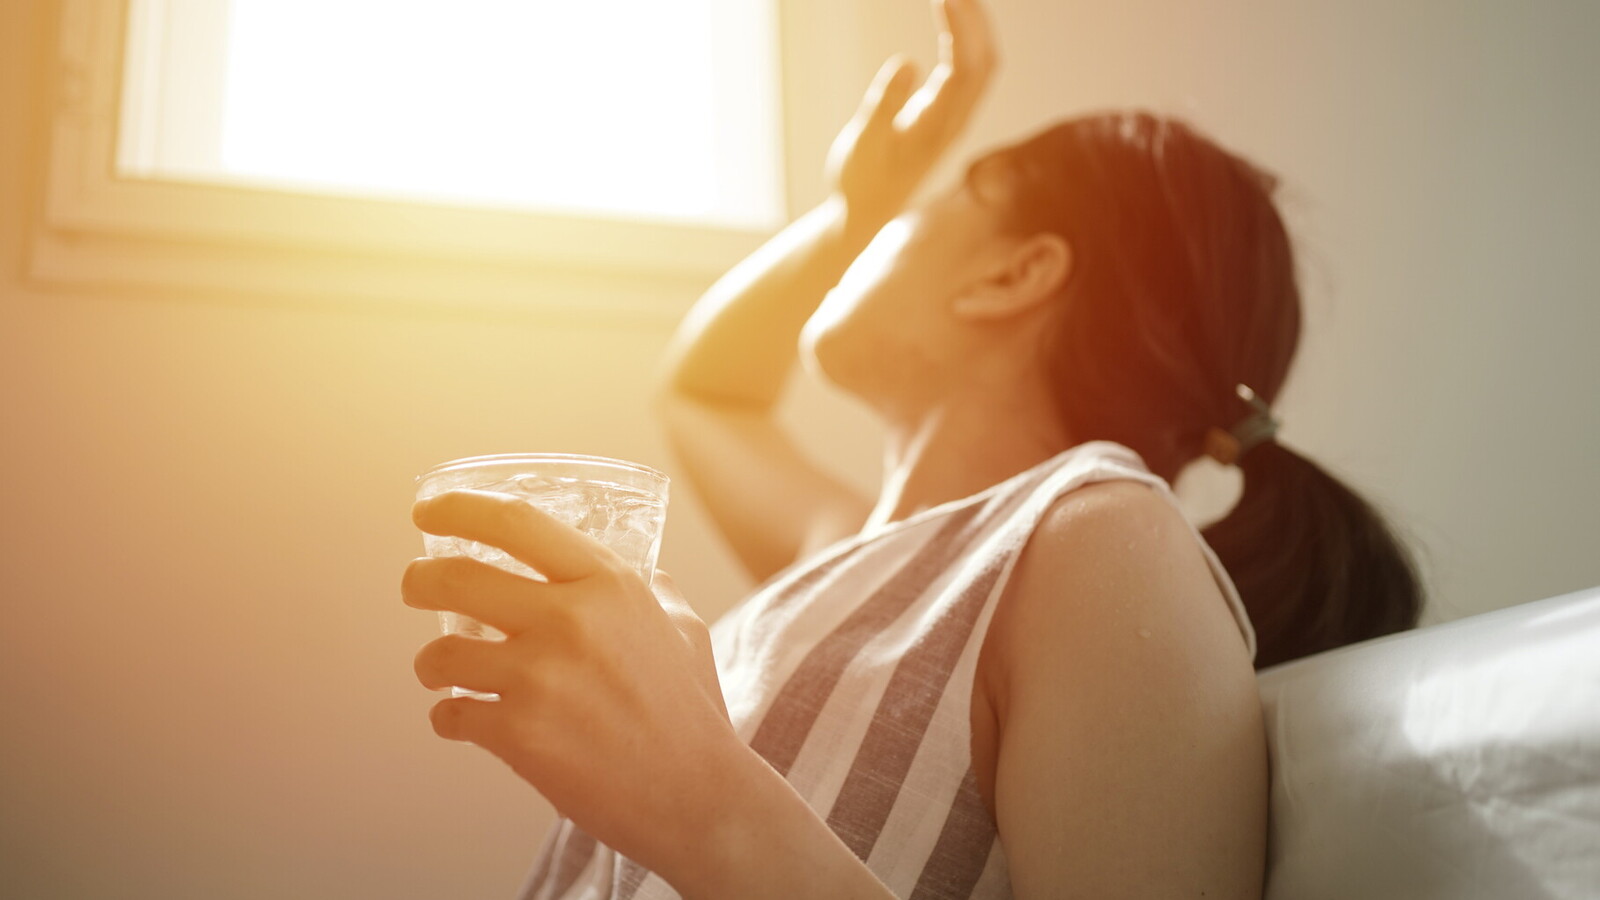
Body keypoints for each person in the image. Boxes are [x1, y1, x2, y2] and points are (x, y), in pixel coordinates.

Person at [401, 0, 1423, 896]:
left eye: (935, 206)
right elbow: (704, 391)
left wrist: (698, 799)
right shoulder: (854, 553)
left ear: (1013, 276)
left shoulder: (1101, 545)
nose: (880, 231)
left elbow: (706, 393)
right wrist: (858, 214)